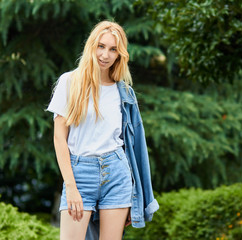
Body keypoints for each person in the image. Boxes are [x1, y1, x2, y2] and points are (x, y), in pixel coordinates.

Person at [47, 20, 159, 240]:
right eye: (101, 46)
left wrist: (134, 196)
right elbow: (60, 139)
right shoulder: (69, 82)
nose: (105, 55)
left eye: (113, 49)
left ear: (120, 54)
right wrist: (70, 186)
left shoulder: (124, 92)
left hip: (116, 172)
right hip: (79, 173)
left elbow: (134, 146)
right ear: (91, 45)